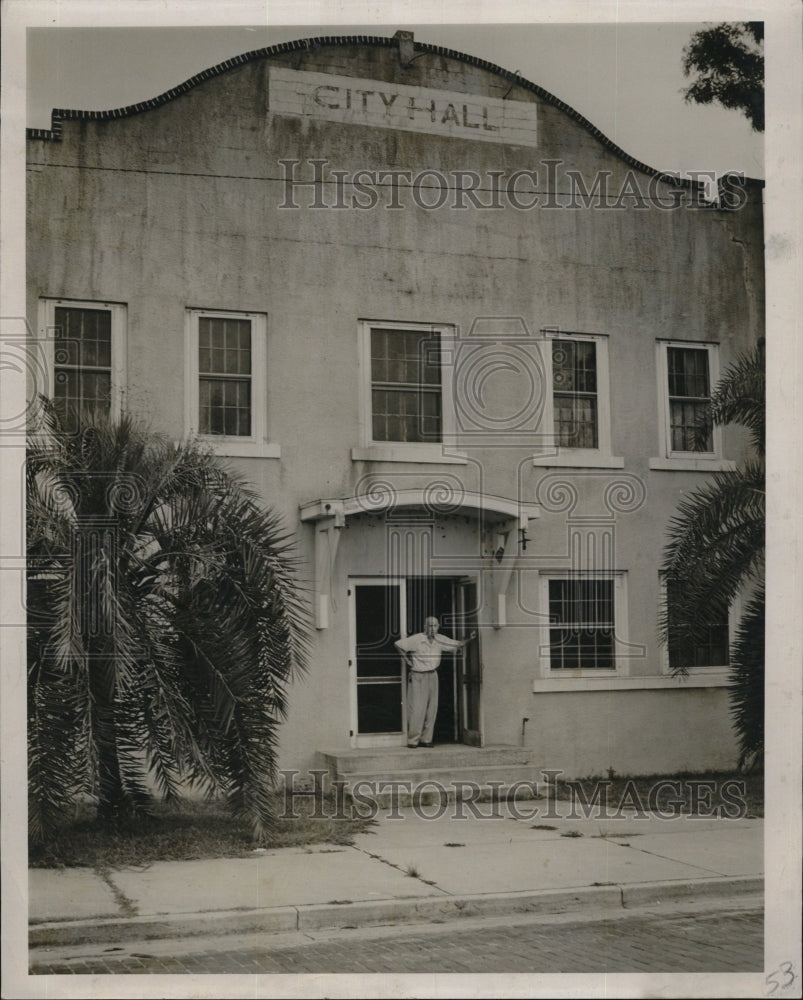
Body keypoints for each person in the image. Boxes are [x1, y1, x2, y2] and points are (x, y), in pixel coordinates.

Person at [395, 617, 476, 748]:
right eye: (429, 626)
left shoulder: (440, 639)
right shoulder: (417, 639)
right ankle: (413, 740)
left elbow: (457, 644)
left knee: (431, 709)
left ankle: (426, 739)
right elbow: (398, 645)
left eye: (434, 626)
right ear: (425, 627)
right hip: (418, 675)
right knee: (417, 709)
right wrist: (407, 661)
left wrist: (470, 639)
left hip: (432, 675)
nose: (432, 629)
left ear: (438, 627)